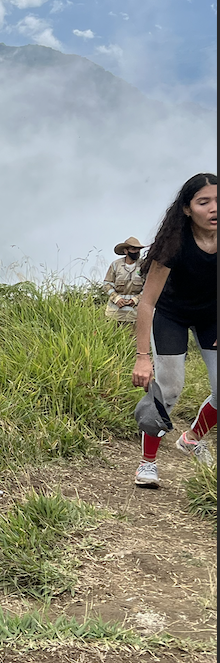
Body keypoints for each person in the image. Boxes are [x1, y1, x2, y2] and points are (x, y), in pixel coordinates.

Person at [131, 173, 217, 488]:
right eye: (203, 202)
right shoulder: (174, 244)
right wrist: (142, 357)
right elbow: (147, 303)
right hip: (171, 316)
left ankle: (191, 439)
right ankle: (147, 463)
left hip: (212, 317)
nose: (213, 209)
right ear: (187, 209)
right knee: (168, 389)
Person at [103, 238, 147, 324]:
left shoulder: (144, 265)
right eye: (133, 249)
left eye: (138, 249)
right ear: (126, 251)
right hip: (114, 313)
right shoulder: (116, 265)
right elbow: (107, 284)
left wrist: (136, 299)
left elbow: (148, 287)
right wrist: (117, 299)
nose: (136, 251)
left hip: (135, 314)